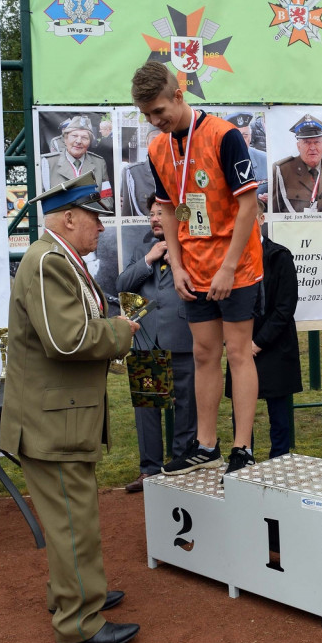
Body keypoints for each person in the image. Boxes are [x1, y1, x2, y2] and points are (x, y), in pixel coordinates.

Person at [0, 172, 139, 643]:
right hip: (52, 423)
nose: (100, 227)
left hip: (56, 418)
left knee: (70, 521)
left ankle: (71, 593)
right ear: (68, 218)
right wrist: (119, 332)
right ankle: (79, 620)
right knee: (74, 525)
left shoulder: (56, 258)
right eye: (93, 218)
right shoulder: (48, 261)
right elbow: (67, 340)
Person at [131, 61, 263, 477]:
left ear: (178, 95)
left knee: (238, 352)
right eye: (147, 115)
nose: (155, 121)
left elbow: (248, 206)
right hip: (194, 266)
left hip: (236, 266)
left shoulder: (224, 136)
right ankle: (206, 445)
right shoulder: (158, 148)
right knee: (204, 353)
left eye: (159, 111)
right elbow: (169, 209)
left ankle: (243, 446)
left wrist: (227, 268)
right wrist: (177, 263)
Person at [115, 193, 197, 492]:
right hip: (146, 340)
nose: (154, 219)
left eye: (160, 213)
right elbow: (123, 285)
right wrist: (149, 259)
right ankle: (149, 470)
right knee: (147, 409)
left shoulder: (192, 248)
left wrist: (177, 261)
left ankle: (183, 464)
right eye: (151, 214)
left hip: (184, 338)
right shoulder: (142, 249)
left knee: (187, 406)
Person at [225, 211, 302, 459]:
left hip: (275, 346)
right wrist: (239, 343)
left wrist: (257, 343)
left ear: (261, 218)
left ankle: (279, 461)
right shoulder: (227, 258)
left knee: (278, 413)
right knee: (240, 408)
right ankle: (243, 455)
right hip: (241, 345)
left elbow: (285, 307)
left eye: (249, 216)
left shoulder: (279, 256)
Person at [41, 114, 114, 214]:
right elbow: (42, 203)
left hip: (91, 220)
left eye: (84, 137)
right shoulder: (47, 163)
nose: (79, 141)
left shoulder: (99, 163)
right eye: (74, 136)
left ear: (89, 142)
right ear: (65, 139)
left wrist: (91, 218)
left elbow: (107, 200)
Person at [269, 114, 322, 214]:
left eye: (317, 142)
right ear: (298, 146)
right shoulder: (282, 171)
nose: (312, 148)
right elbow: (275, 212)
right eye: (307, 142)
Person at [225, 111, 268, 205]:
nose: (240, 141)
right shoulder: (217, 160)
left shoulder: (265, 160)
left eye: (245, 136)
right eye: (236, 136)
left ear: (250, 137)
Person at [119, 126, 159, 217]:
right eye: (154, 139)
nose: (159, 143)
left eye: (164, 139)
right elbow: (126, 213)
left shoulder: (179, 173)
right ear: (147, 144)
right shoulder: (132, 173)